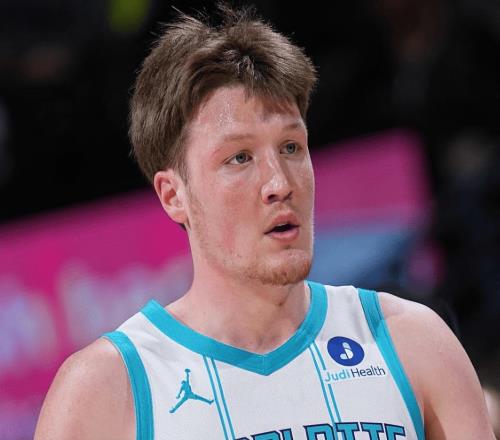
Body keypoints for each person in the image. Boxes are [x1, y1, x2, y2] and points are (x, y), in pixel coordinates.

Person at [34, 3, 495, 439]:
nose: (280, 182)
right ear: (174, 196)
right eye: (239, 157)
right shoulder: (103, 392)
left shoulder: (415, 343)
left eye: (291, 147)